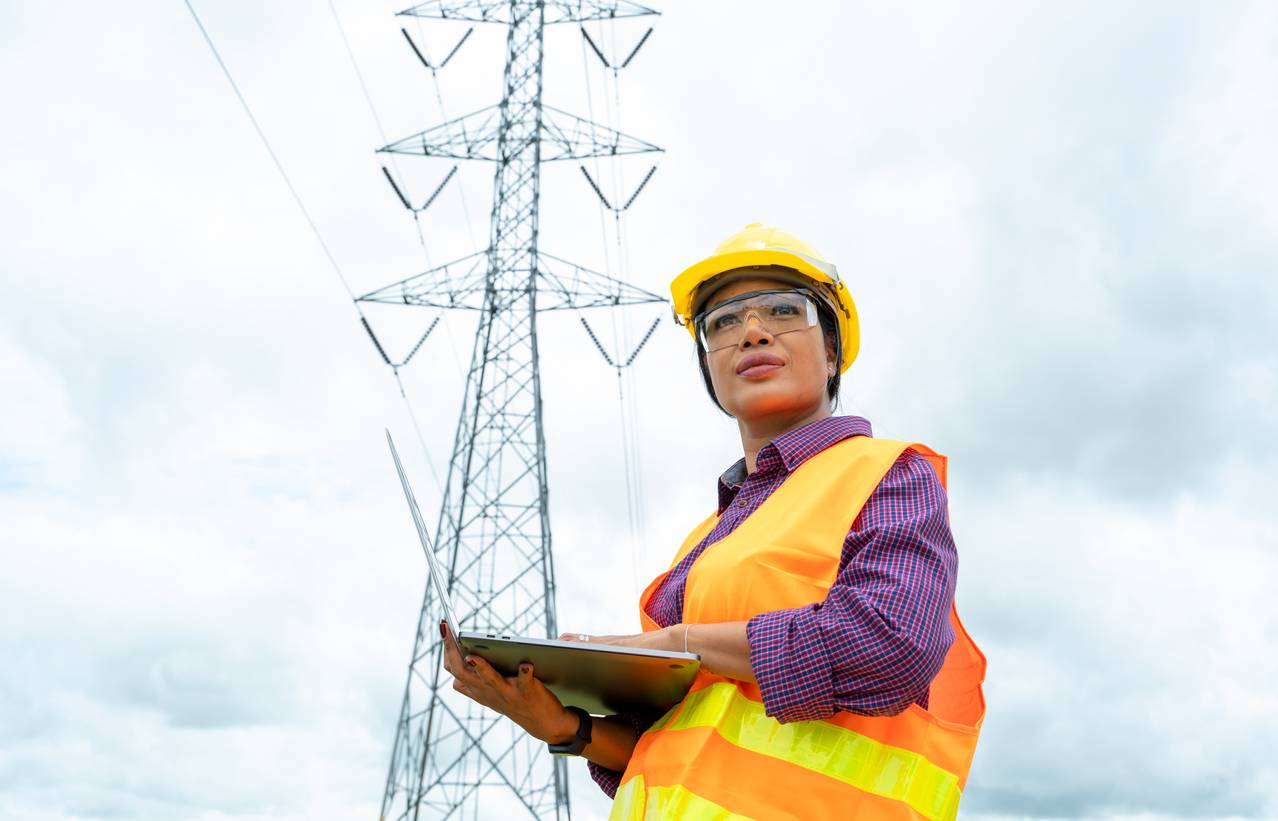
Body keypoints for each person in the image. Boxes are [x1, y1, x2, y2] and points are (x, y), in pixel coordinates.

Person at [439, 223, 987, 819]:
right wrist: (564, 725)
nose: (751, 332)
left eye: (783, 309)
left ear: (831, 351)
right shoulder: (702, 544)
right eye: (722, 321)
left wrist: (679, 643)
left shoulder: (887, 476)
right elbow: (680, 744)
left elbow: (889, 644)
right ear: (708, 363)